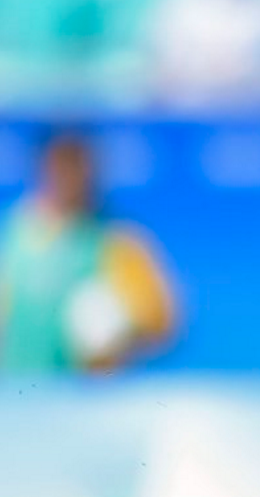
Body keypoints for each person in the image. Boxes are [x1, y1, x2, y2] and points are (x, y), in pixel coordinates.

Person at [0, 133, 176, 373]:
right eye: (61, 165)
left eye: (77, 166)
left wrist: (122, 336)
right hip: (16, 395)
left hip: (84, 402)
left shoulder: (117, 240)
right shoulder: (13, 235)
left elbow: (163, 324)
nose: (69, 177)